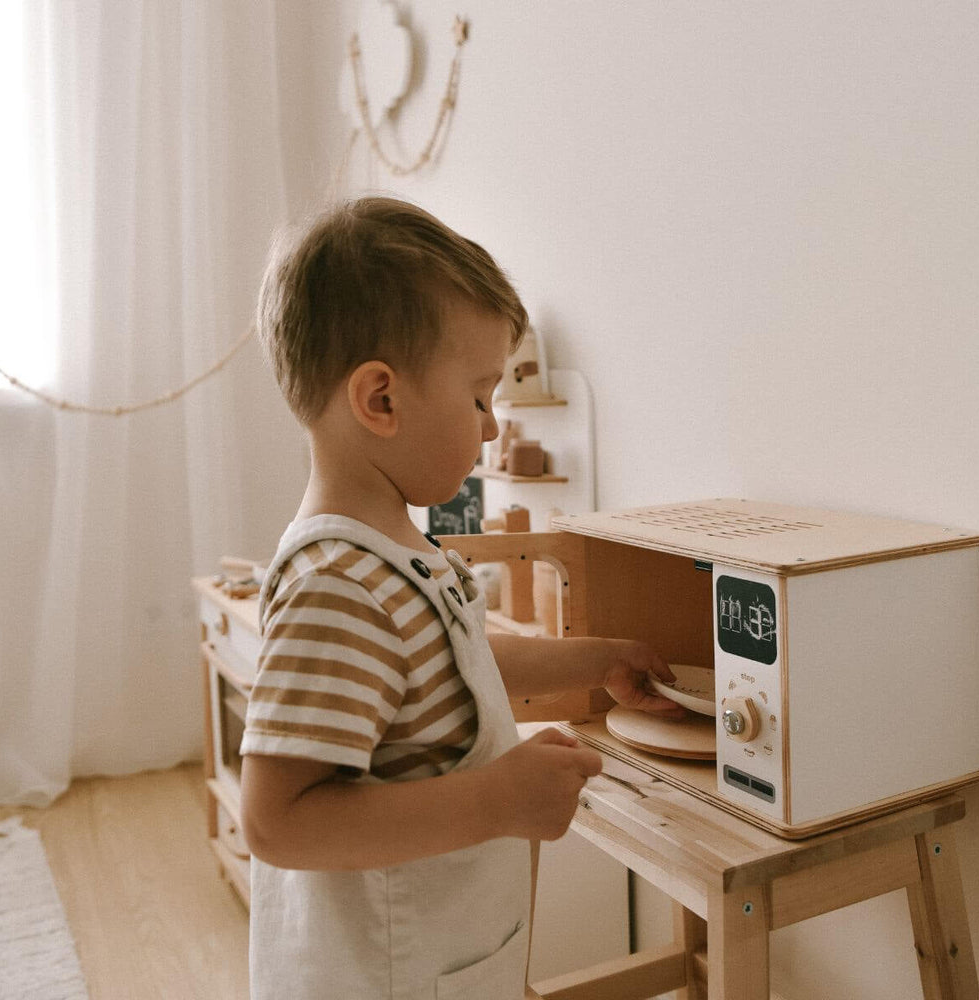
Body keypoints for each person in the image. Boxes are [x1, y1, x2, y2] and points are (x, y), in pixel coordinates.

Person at [238, 196, 682, 1000]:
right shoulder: (336, 585)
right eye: (480, 397)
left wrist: (592, 659)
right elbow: (277, 821)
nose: (490, 429)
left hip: (444, 958)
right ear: (381, 400)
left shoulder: (399, 551)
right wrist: (494, 800)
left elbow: (454, 666)